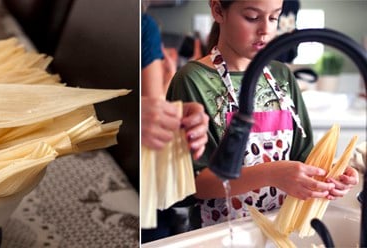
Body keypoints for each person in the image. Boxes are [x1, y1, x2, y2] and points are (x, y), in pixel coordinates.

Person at [166, 0, 359, 227]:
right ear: (218, 10)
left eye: (274, 18)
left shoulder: (282, 76)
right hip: (219, 234)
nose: (266, 30)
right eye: (252, 17)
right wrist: (271, 174)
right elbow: (187, 186)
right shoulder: (192, 80)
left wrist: (331, 173)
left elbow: (303, 156)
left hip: (280, 229)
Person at [140, 10, 209, 242]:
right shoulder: (144, 27)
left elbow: (154, 113)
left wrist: (176, 112)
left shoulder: (145, 27)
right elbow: (151, 114)